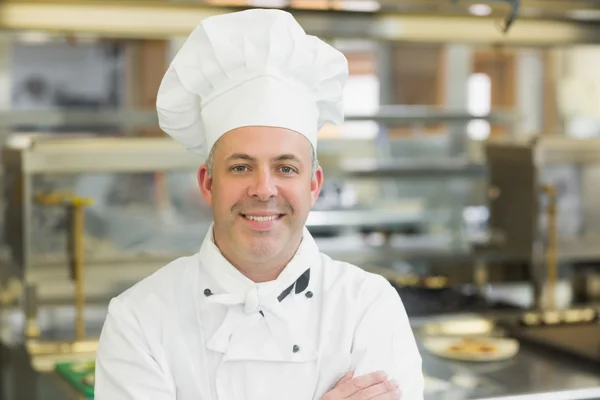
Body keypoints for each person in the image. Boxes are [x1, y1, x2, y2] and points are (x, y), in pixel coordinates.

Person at [94, 8, 424, 400]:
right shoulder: (139, 319)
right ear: (208, 183)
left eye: (285, 168)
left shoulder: (368, 306)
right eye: (240, 167)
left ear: (313, 184)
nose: (263, 188)